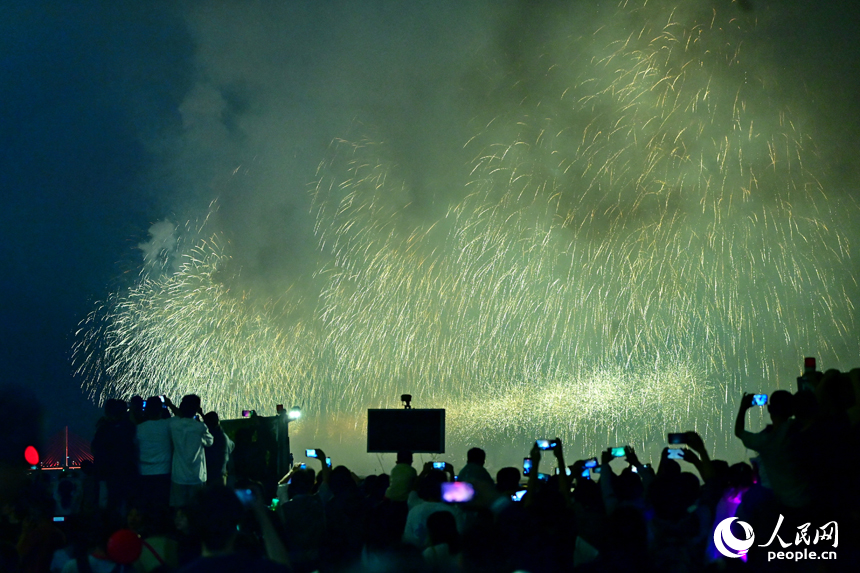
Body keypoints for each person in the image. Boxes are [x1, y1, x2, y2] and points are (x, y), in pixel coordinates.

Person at [91, 399, 138, 518]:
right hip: (128, 472)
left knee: (109, 507)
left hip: (108, 475)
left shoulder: (103, 429)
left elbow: (94, 449)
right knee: (128, 506)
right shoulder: (129, 427)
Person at [168, 395, 213, 508]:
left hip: (178, 475)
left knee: (179, 509)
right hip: (196, 476)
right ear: (196, 408)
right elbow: (210, 442)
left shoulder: (173, 424)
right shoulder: (200, 427)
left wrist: (171, 405)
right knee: (196, 510)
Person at [136, 397, 173, 510]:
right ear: (161, 410)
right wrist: (170, 405)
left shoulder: (138, 428)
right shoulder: (168, 425)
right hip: (164, 472)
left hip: (144, 473)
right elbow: (183, 417)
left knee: (147, 508)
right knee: (163, 508)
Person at [203, 412, 234, 486]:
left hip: (210, 476)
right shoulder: (223, 437)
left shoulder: (210, 438)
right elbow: (232, 446)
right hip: (221, 476)